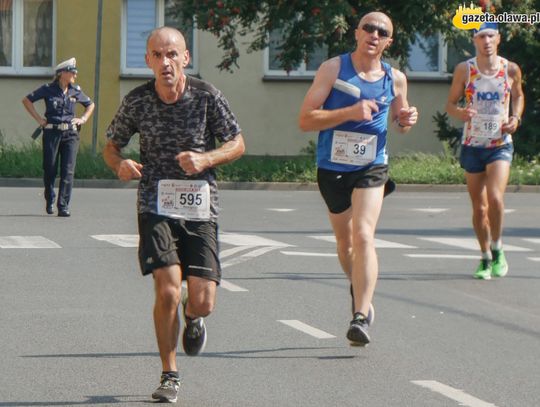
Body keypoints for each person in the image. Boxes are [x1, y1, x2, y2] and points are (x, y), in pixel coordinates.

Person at [103, 27, 245, 403]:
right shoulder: (137, 101)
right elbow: (111, 146)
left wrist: (206, 158)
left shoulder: (207, 97)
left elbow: (237, 142)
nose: (165, 62)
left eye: (172, 55)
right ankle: (169, 374)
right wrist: (119, 164)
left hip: (200, 207)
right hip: (155, 203)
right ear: (148, 60)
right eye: (157, 55)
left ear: (185, 58)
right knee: (166, 288)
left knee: (203, 301)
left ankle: (193, 313)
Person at [298, 12, 418, 346]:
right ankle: (361, 288)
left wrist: (407, 118)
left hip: (372, 165)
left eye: (383, 32)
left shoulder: (396, 79)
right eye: (369, 28)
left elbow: (401, 122)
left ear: (388, 42)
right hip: (332, 166)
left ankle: (360, 315)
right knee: (345, 242)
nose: (374, 34)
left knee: (364, 234)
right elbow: (306, 119)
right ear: (357, 33)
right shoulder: (333, 69)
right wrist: (348, 112)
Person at [446, 22, 524, 280]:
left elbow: (518, 95)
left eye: (491, 35)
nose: (486, 40)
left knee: (495, 198)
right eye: (481, 36)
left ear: (498, 38)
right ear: (474, 40)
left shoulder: (509, 69)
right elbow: (451, 104)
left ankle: (498, 248)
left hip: (499, 144)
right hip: (472, 144)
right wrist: (461, 113)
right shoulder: (465, 70)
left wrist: (515, 118)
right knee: (479, 208)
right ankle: (484, 256)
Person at [22, 57, 94, 217]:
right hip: (52, 132)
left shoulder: (76, 90)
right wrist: (39, 119)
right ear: (62, 73)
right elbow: (27, 100)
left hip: (71, 134)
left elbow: (90, 104)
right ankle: (50, 198)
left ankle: (63, 205)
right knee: (50, 168)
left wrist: (83, 119)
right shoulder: (48, 89)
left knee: (68, 170)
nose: (75, 74)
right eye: (72, 71)